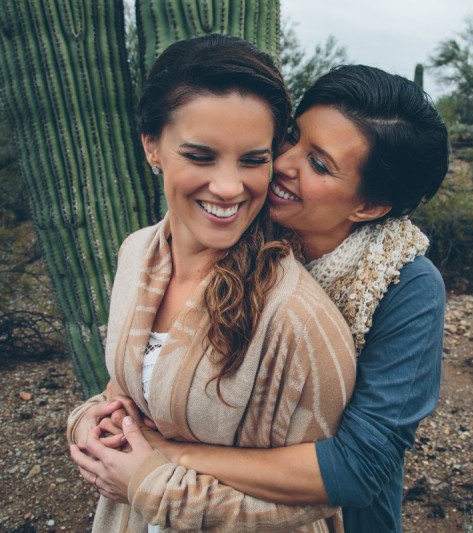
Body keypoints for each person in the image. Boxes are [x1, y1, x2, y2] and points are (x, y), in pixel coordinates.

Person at [91, 64, 450, 532]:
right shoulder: (233, 224)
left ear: (368, 207)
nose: (283, 163)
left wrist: (168, 454)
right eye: (290, 137)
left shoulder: (407, 287)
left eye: (318, 164)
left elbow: (357, 467)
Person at [66, 35, 358, 532]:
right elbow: (126, 390)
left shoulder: (296, 317)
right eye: (201, 156)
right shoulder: (135, 255)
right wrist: (92, 421)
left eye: (252, 160)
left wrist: (151, 484)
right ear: (151, 146)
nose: (228, 187)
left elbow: (316, 501)